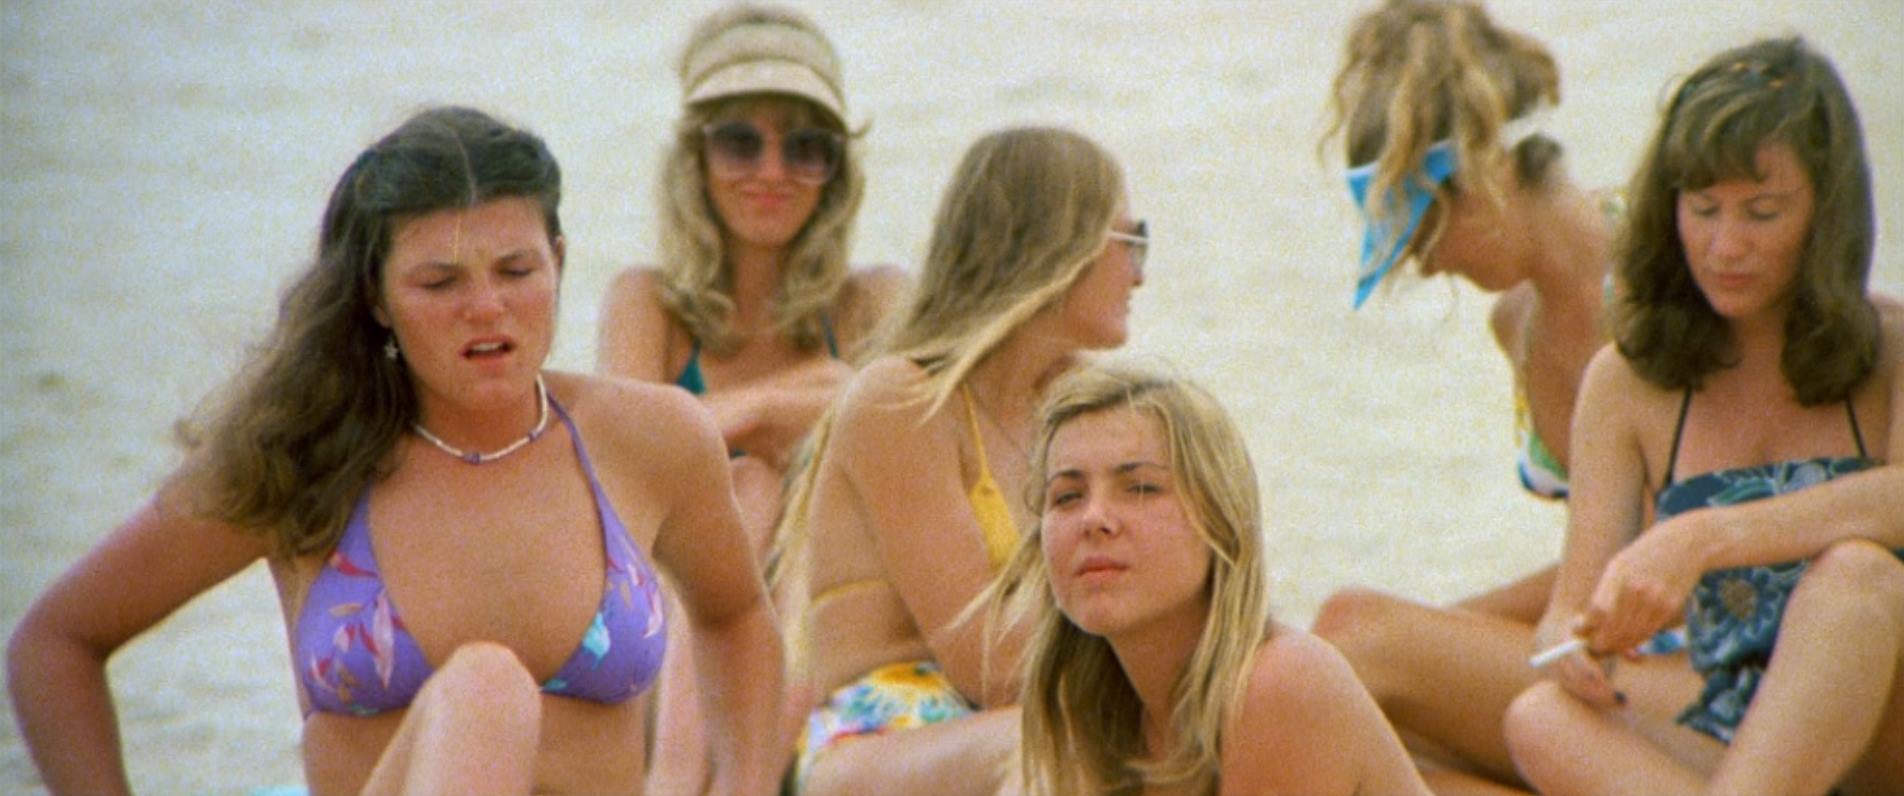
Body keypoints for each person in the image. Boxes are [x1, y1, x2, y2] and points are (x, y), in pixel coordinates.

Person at [5, 106, 784, 796]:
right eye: (439, 283)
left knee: (489, 685)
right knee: (485, 690)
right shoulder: (308, 455)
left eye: (516, 270)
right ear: (376, 297)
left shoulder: (647, 439)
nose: (487, 307)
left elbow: (736, 615)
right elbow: (57, 643)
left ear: (558, 261)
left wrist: (744, 783)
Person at [1501, 37, 1904, 795]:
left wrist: (1697, 539)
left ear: (1826, 215)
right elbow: (1565, 612)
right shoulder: (1626, 380)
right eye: (1703, 208)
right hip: (1743, 725)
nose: (1725, 246)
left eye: (1762, 212)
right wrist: (1576, 646)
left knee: (1857, 578)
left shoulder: (1892, 349)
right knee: (1539, 717)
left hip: (1886, 723)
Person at [774, 126, 1147, 796]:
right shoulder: (901, 399)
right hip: (886, 733)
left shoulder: (1076, 410)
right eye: (1131, 240)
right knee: (1065, 745)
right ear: (1061, 244)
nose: (1140, 273)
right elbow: (989, 662)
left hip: (1022, 722)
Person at [1310, 2, 1622, 791]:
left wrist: (1426, 631)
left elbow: (1649, 549)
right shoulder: (1517, 322)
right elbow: (1601, 558)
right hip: (1611, 656)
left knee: (1346, 645)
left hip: (1721, 664)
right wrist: (1437, 630)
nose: (1426, 264)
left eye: (1423, 233)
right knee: (1376, 754)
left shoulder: (1674, 273)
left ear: (1484, 177)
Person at [593, 7, 904, 790]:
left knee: (784, 498)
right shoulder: (648, 302)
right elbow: (624, 474)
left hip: (827, 615)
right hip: (672, 625)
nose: (772, 171)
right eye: (740, 141)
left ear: (837, 170)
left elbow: (901, 439)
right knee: (748, 485)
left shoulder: (871, 302)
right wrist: (784, 409)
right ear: (695, 157)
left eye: (806, 148)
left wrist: (726, 420)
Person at [985, 363, 1430, 795]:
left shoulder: (1279, 682)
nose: (1093, 518)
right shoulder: (1095, 718)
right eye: (1067, 496)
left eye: (1140, 488)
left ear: (1219, 520)